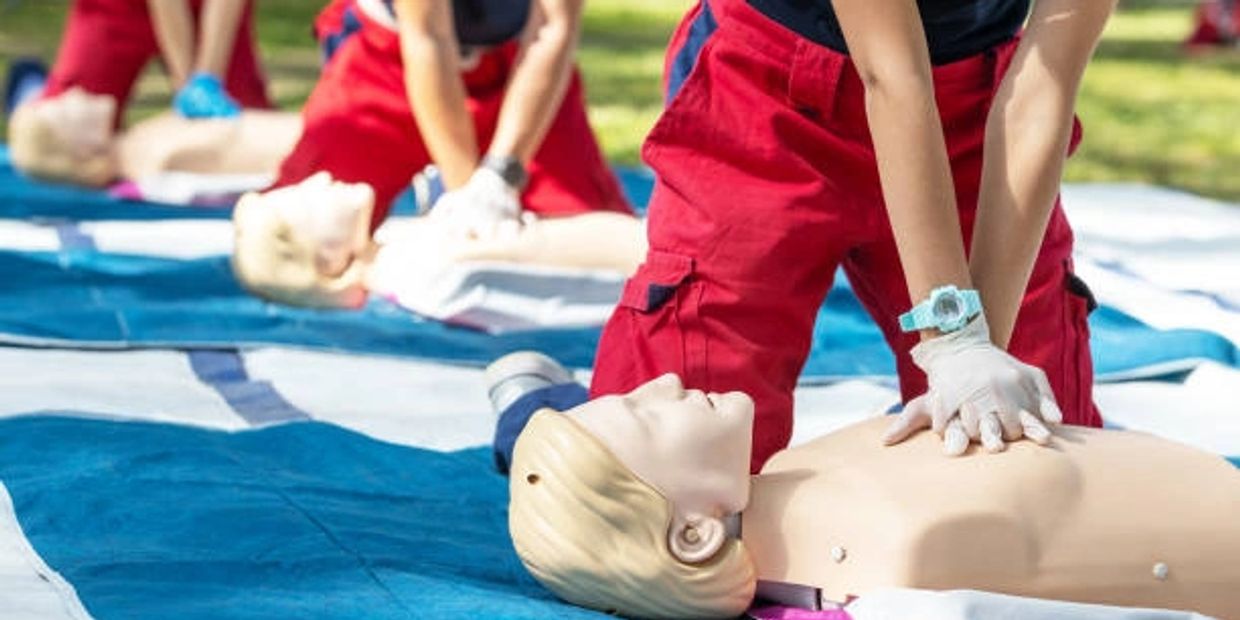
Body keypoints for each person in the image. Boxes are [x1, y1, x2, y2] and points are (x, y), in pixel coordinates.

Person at [588, 0, 1115, 472]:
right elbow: (892, 74)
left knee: (1031, 457)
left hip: (971, 102)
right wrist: (955, 336)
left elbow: (1043, 90)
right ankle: (529, 398)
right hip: (768, 90)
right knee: (660, 468)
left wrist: (981, 357)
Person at [501, 368, 1240, 619]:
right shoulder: (893, 556)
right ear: (693, 532)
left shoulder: (800, 466)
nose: (663, 382)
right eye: (642, 412)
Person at [267, 0, 632, 239]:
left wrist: (498, 177)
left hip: (517, 65)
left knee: (602, 238)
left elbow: (553, 28)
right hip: (389, 61)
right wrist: (465, 196)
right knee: (288, 232)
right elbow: (428, 37)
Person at [41, 0, 270, 124]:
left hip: (210, 12)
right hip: (115, 8)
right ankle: (28, 88)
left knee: (250, 127)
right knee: (58, 125)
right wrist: (187, 88)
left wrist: (207, 81)